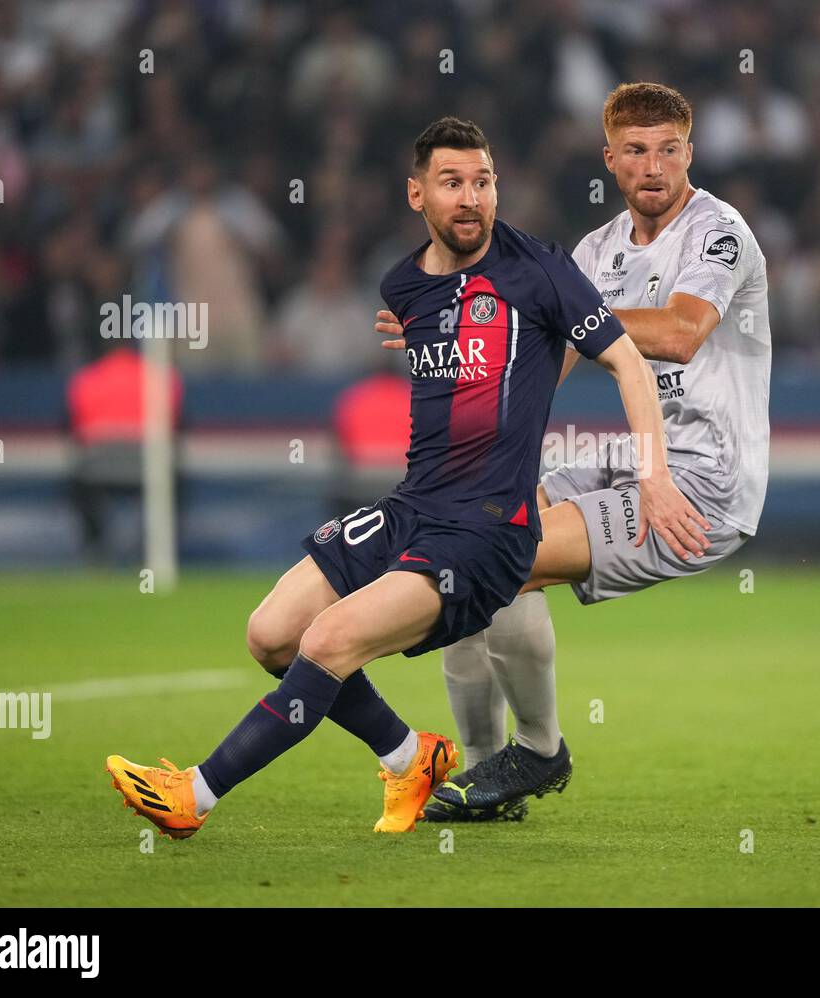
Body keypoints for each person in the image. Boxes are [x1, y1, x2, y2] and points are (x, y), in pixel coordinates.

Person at [105, 115, 706, 836]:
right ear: (416, 194)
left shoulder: (541, 270)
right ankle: (405, 755)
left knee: (328, 643)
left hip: (486, 532)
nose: (471, 198)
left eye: (482, 182)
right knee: (270, 635)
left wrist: (654, 477)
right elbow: (453, 331)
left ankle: (192, 797)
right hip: (410, 508)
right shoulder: (403, 284)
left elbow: (631, 364)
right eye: (452, 183)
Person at [377, 83, 772, 821]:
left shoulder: (720, 232)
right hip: (627, 459)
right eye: (635, 152)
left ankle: (540, 748)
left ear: (690, 153)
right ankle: (485, 772)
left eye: (669, 150)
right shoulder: (594, 251)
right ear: (610, 160)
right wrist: (457, 330)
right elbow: (532, 367)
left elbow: (682, 331)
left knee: (502, 558)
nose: (653, 167)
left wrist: (547, 309)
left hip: (703, 480)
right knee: (464, 545)